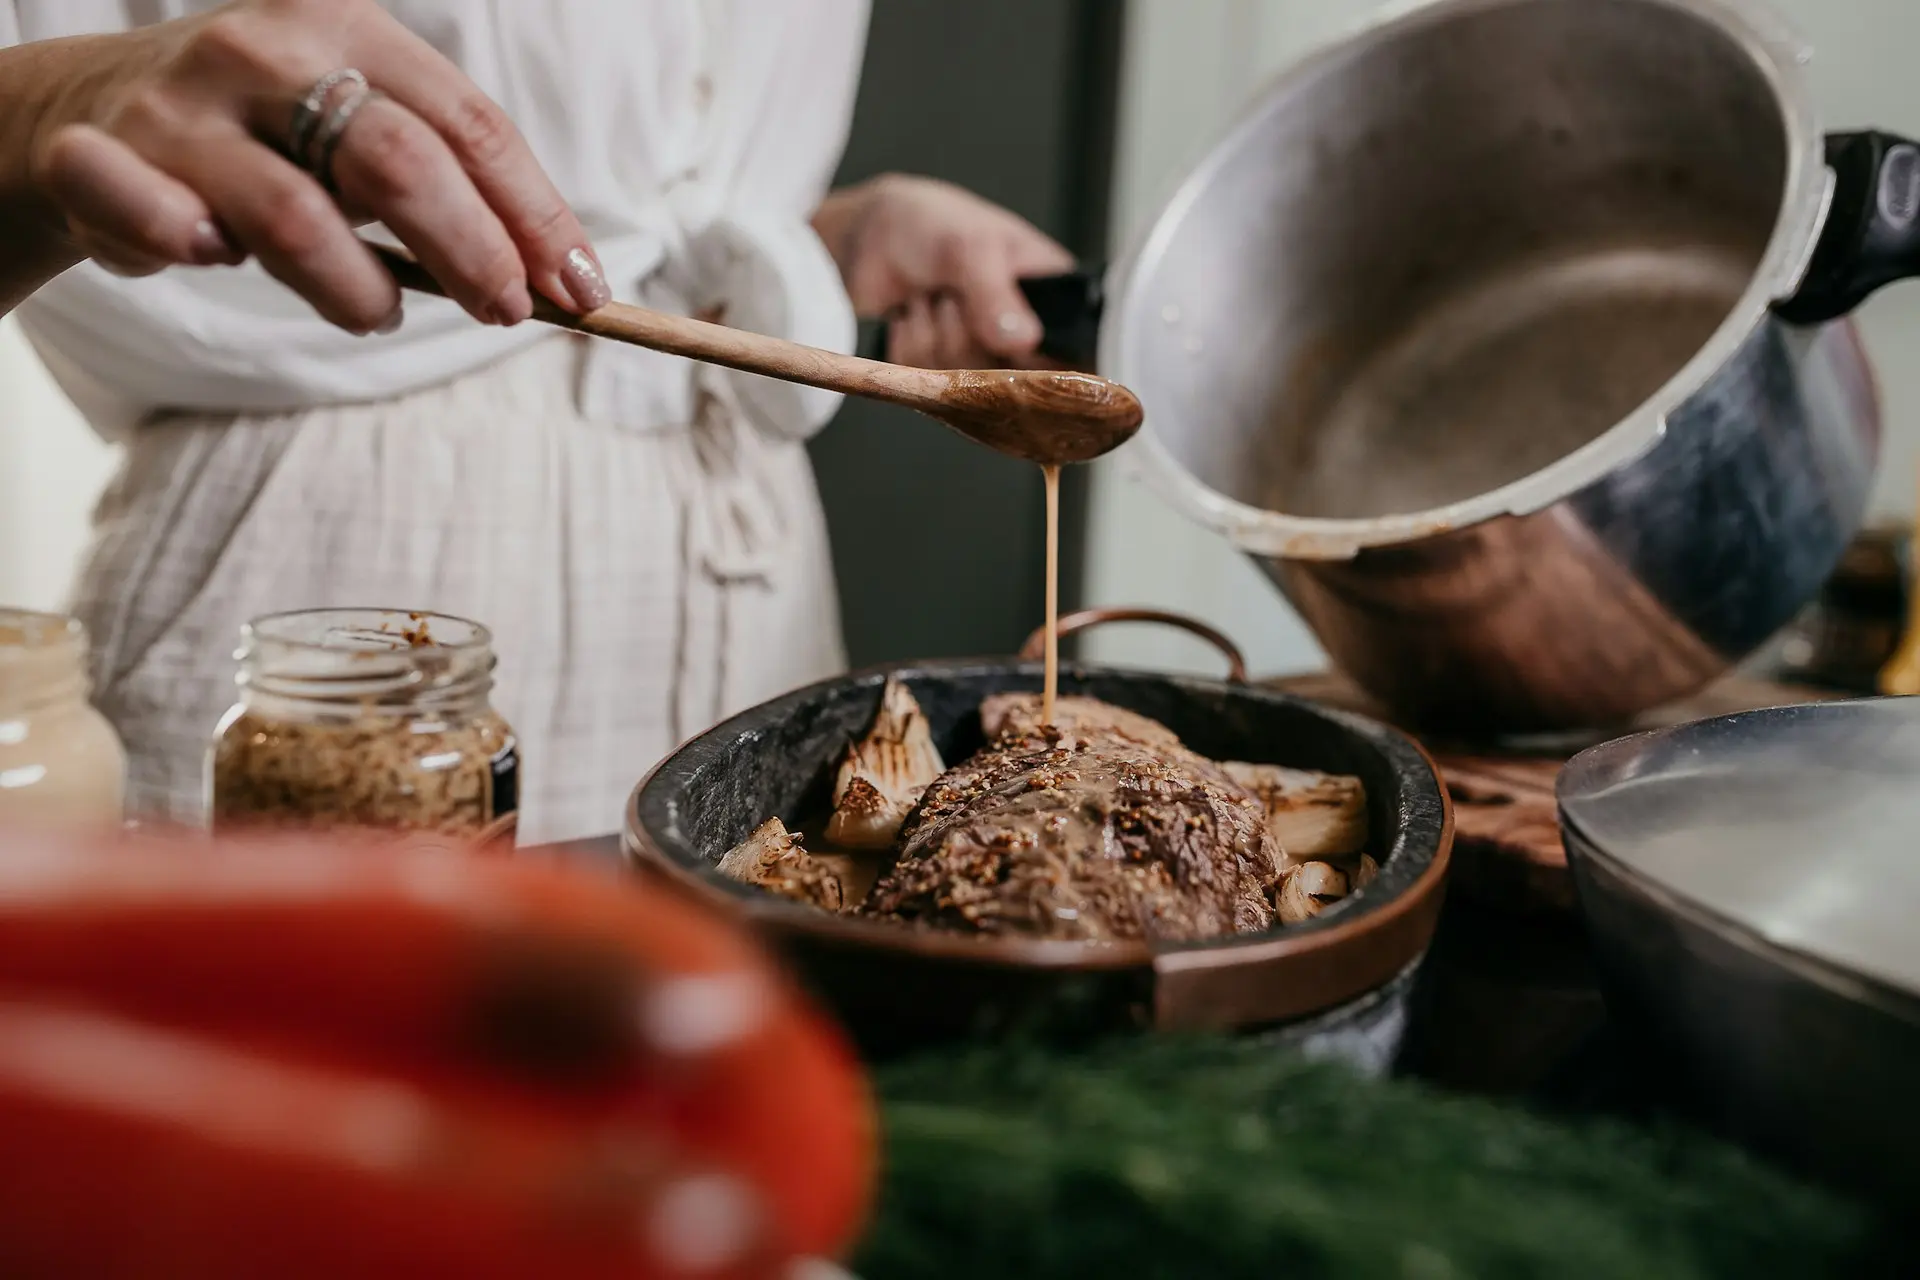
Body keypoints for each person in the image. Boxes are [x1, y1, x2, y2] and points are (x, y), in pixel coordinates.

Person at [0, 1, 1074, 843]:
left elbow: (633, 166)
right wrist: (47, 102)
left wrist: (821, 239)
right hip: (319, 599)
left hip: (751, 599)